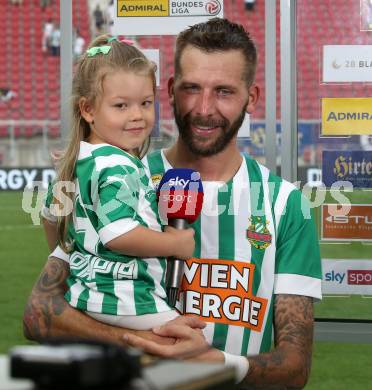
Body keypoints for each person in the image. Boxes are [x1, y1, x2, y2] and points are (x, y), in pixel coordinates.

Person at [24, 18, 322, 388]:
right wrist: (147, 342)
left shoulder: (285, 204)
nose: (204, 108)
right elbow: (39, 314)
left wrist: (218, 363)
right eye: (191, 88)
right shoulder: (119, 177)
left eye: (224, 91)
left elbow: (294, 368)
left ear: (252, 97)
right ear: (169, 90)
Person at [41, 35, 195, 331]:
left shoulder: (77, 161)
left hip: (86, 296)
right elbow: (117, 233)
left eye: (145, 103)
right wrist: (174, 242)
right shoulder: (117, 164)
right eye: (121, 106)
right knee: (195, 350)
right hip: (129, 299)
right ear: (88, 110)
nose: (137, 115)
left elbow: (51, 220)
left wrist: (79, 262)